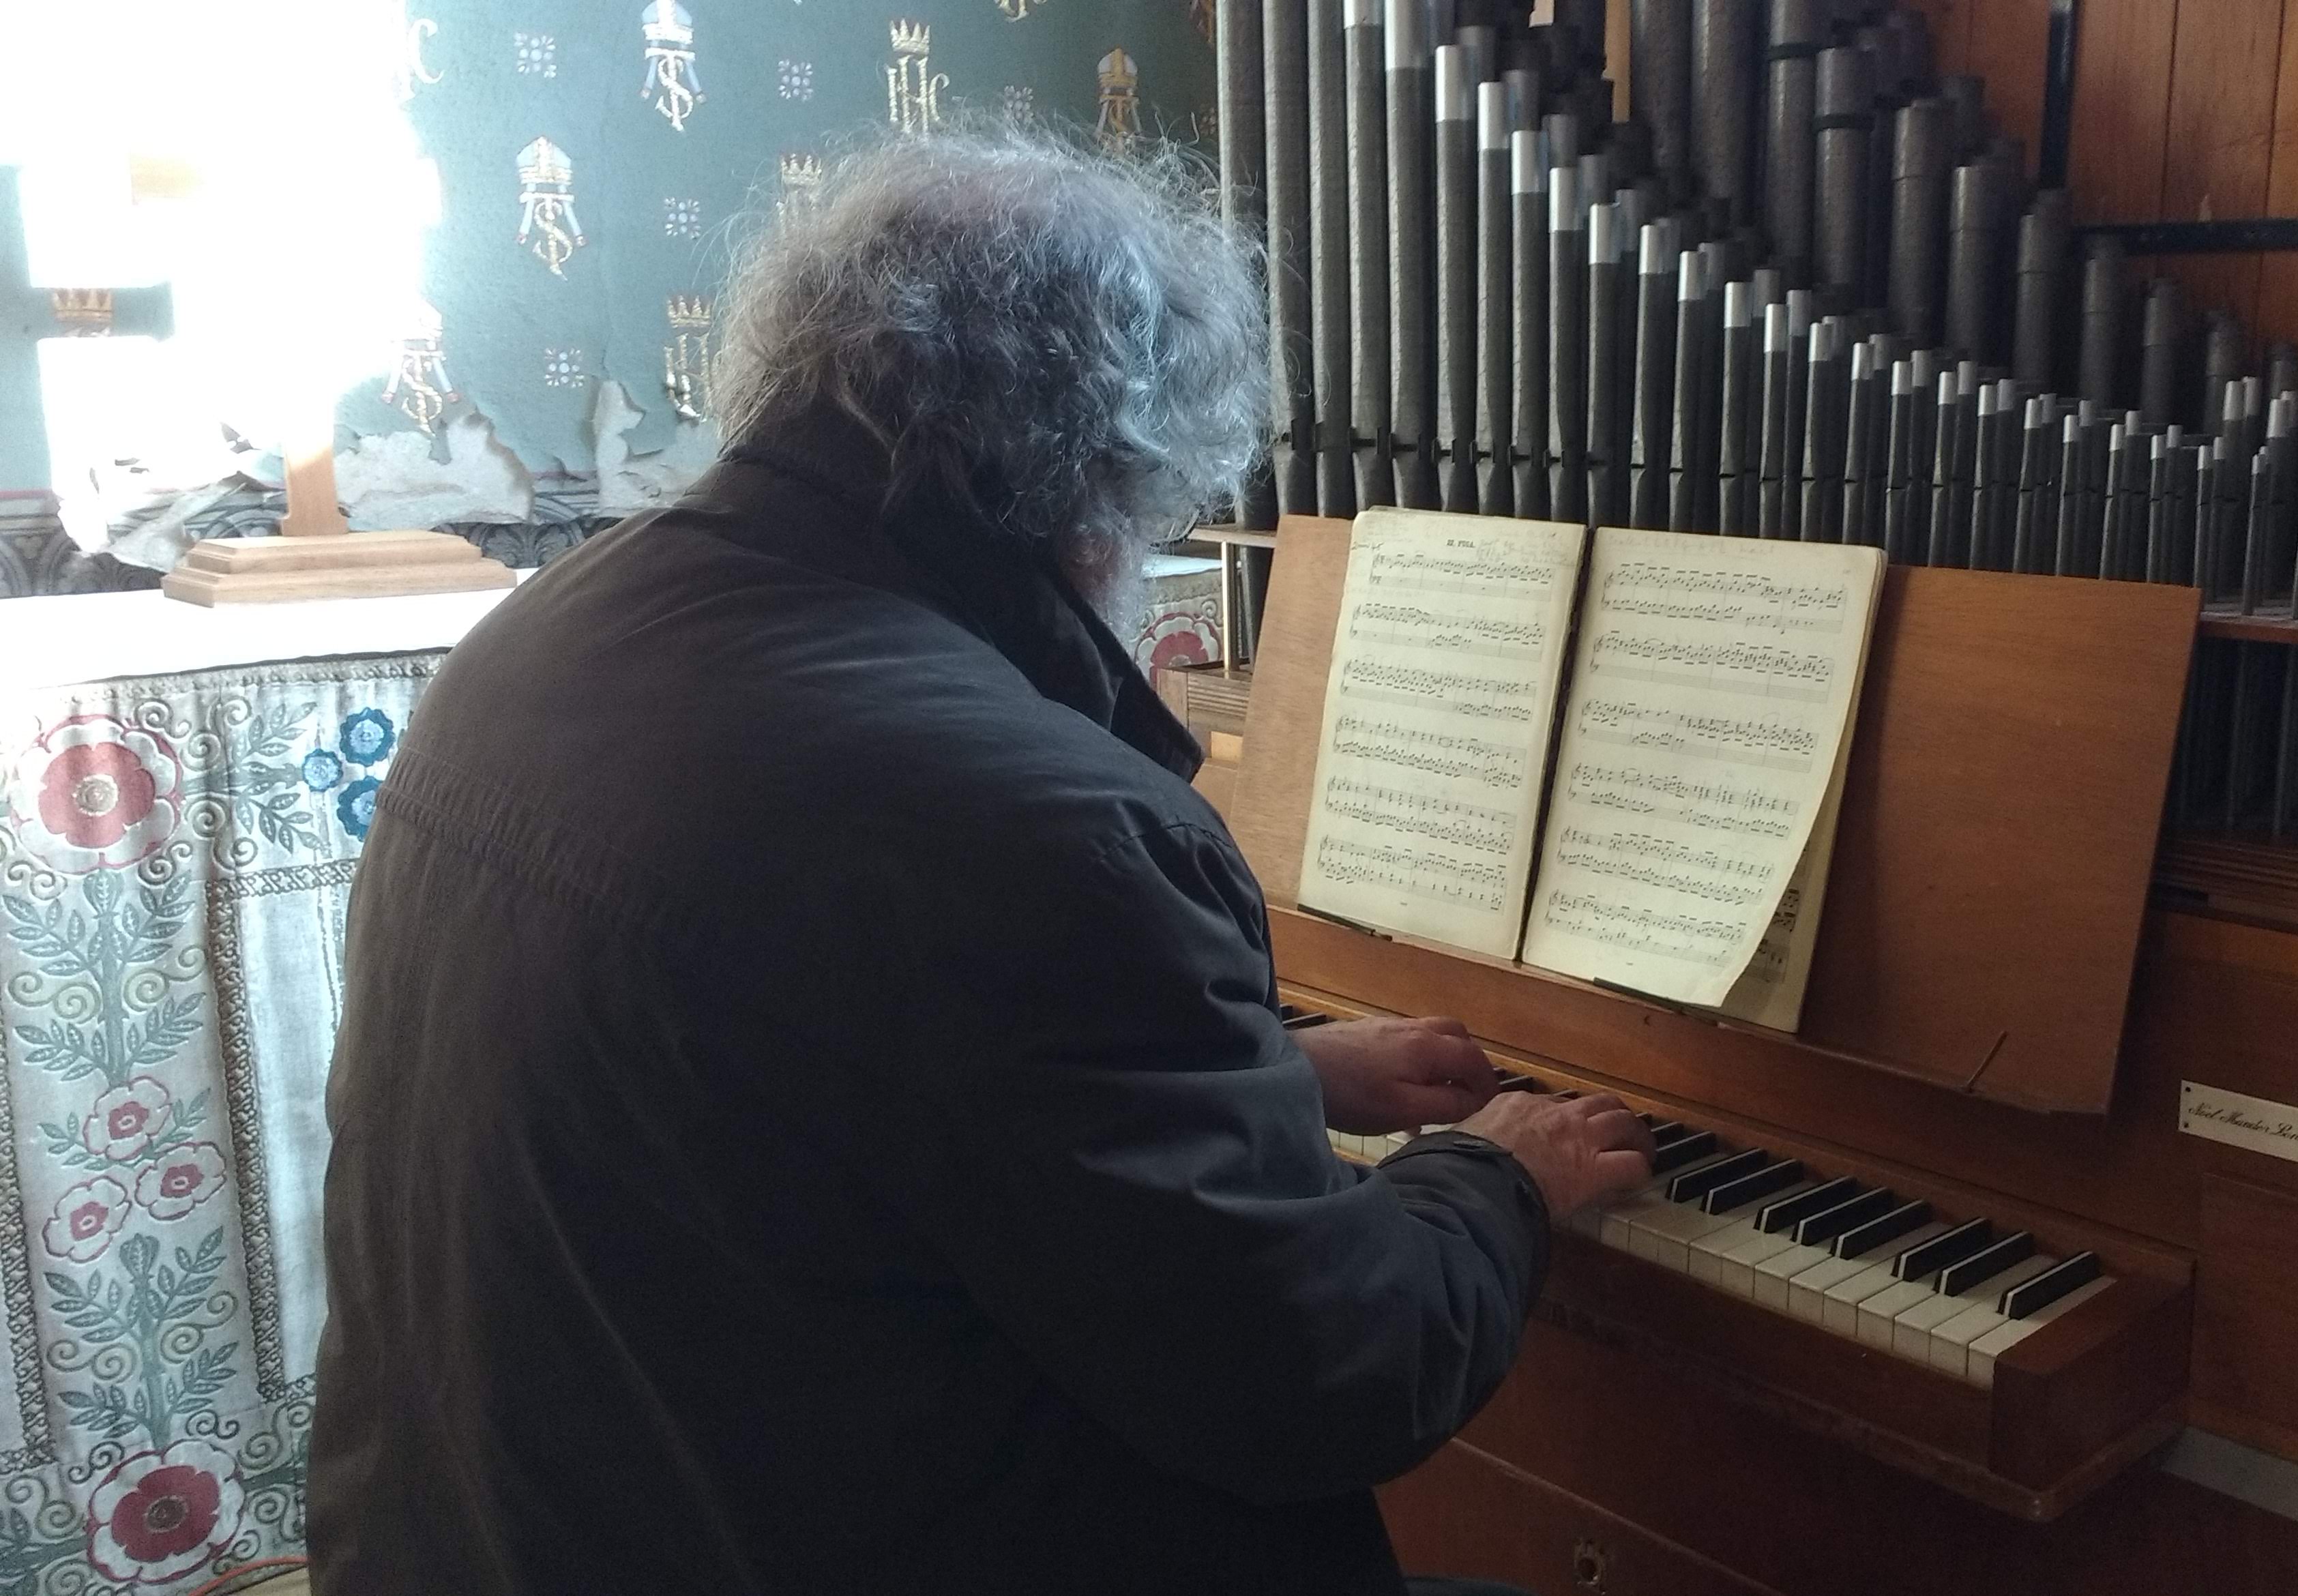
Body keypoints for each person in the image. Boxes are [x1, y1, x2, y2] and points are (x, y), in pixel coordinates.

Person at [307, 128, 1655, 1595]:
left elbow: (832, 1062)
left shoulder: (555, 628)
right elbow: (1322, 1381)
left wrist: (1270, 1067)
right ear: (1113, 462)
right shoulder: (1041, 831)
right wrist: (1493, 1180)